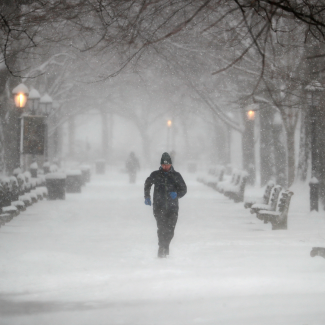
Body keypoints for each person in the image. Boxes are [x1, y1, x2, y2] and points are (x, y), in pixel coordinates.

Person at [144, 152, 187, 258]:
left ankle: (165, 246)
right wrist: (147, 197)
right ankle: (162, 248)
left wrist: (177, 194)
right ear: (161, 164)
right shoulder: (156, 175)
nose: (165, 167)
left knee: (170, 230)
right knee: (161, 228)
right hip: (159, 207)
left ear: (171, 164)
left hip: (172, 208)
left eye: (167, 165)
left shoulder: (176, 176)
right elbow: (147, 184)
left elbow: (184, 189)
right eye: (163, 165)